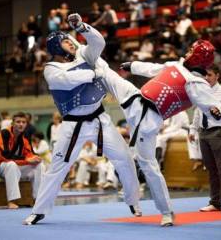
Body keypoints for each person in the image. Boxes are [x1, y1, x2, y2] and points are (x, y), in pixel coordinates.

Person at [95, 39, 221, 226]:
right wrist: (133, 66)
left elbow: (213, 106)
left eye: (192, 50)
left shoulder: (197, 83)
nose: (188, 52)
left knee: (148, 165)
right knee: (106, 72)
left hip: (149, 121)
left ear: (199, 57)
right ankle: (79, 46)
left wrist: (217, 111)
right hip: (135, 99)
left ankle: (166, 212)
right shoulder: (176, 64)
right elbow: (153, 69)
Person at [23, 13, 141, 225]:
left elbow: (99, 42)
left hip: (99, 119)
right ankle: (38, 211)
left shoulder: (84, 55)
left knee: (124, 158)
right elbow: (67, 81)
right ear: (57, 48)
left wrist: (81, 27)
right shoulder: (51, 69)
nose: (71, 42)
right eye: (65, 41)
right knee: (58, 167)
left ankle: (133, 201)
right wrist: (96, 74)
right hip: (72, 125)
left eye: (70, 39)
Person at [189, 64, 221, 213]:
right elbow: (198, 112)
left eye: (210, 75)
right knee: (211, 170)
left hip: (220, 133)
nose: (207, 78)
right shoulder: (201, 91)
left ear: (217, 76)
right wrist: (193, 129)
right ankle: (215, 202)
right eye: (205, 75)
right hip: (203, 133)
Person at [0, 112, 42, 209]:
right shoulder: (4, 133)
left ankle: (37, 200)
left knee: (39, 165)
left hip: (12, 166)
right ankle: (12, 201)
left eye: (23, 122)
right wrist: (27, 160)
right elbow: (5, 156)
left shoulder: (25, 137)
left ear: (26, 124)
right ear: (12, 123)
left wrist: (36, 158)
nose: (21, 124)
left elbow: (30, 153)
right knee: (11, 165)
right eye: (18, 122)